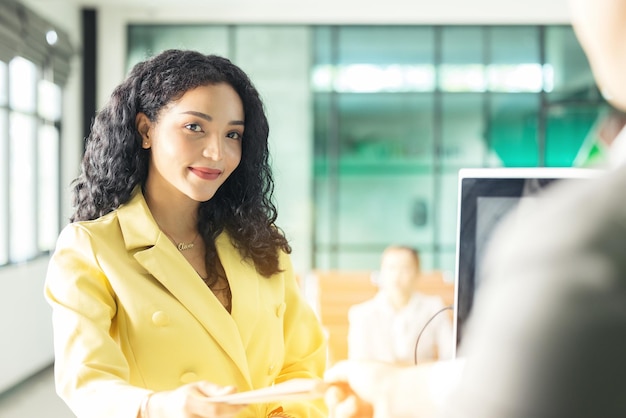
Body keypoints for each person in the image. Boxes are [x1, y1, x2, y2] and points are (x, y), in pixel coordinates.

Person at [324, 0, 626, 416]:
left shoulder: (579, 242)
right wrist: (393, 386)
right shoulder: (365, 315)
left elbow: (498, 392)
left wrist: (393, 392)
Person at [44, 49, 327, 418]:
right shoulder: (92, 248)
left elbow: (303, 362)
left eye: (233, 134)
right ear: (146, 130)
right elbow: (85, 380)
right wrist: (160, 405)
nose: (216, 153)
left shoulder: (260, 242)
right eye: (195, 127)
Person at [347, 246, 453, 366]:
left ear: (417, 272)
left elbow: (449, 354)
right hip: (378, 382)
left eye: (405, 268)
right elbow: (358, 363)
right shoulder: (361, 313)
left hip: (421, 380)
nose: (397, 275)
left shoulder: (434, 307)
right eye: (391, 268)